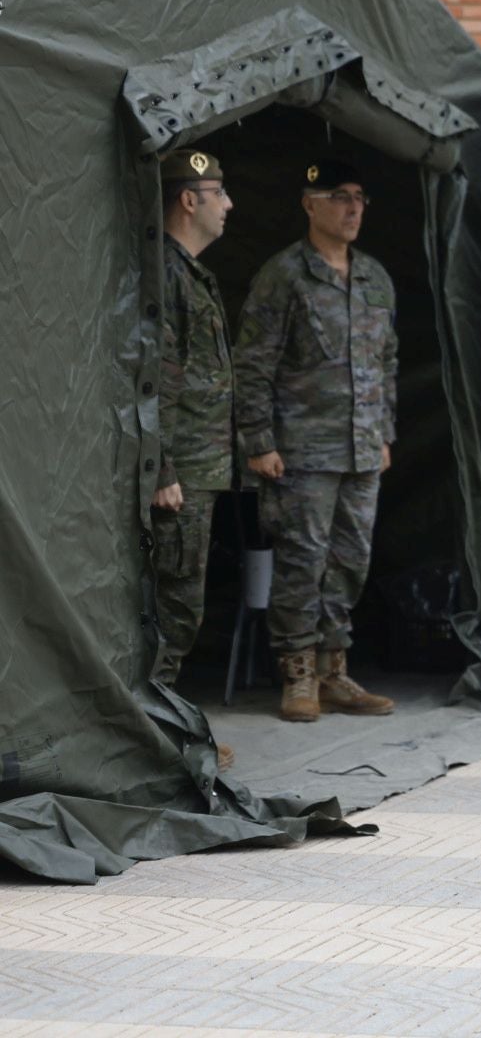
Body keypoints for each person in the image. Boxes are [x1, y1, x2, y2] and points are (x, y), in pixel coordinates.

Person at [236, 159, 398, 723]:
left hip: (360, 448)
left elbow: (387, 361)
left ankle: (334, 670)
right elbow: (253, 364)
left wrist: (385, 432)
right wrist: (259, 440)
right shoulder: (284, 275)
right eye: (340, 196)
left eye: (360, 197)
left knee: (350, 559)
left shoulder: (374, 277)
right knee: (301, 560)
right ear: (310, 203)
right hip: (301, 450)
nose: (353, 207)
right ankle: (297, 674)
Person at [153, 148, 236, 771]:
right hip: (179, 475)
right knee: (172, 614)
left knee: (182, 610)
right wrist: (162, 470)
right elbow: (152, 378)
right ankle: (160, 749)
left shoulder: (190, 274)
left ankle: (166, 739)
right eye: (219, 192)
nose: (229, 204)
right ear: (190, 199)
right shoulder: (167, 274)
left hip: (198, 470)